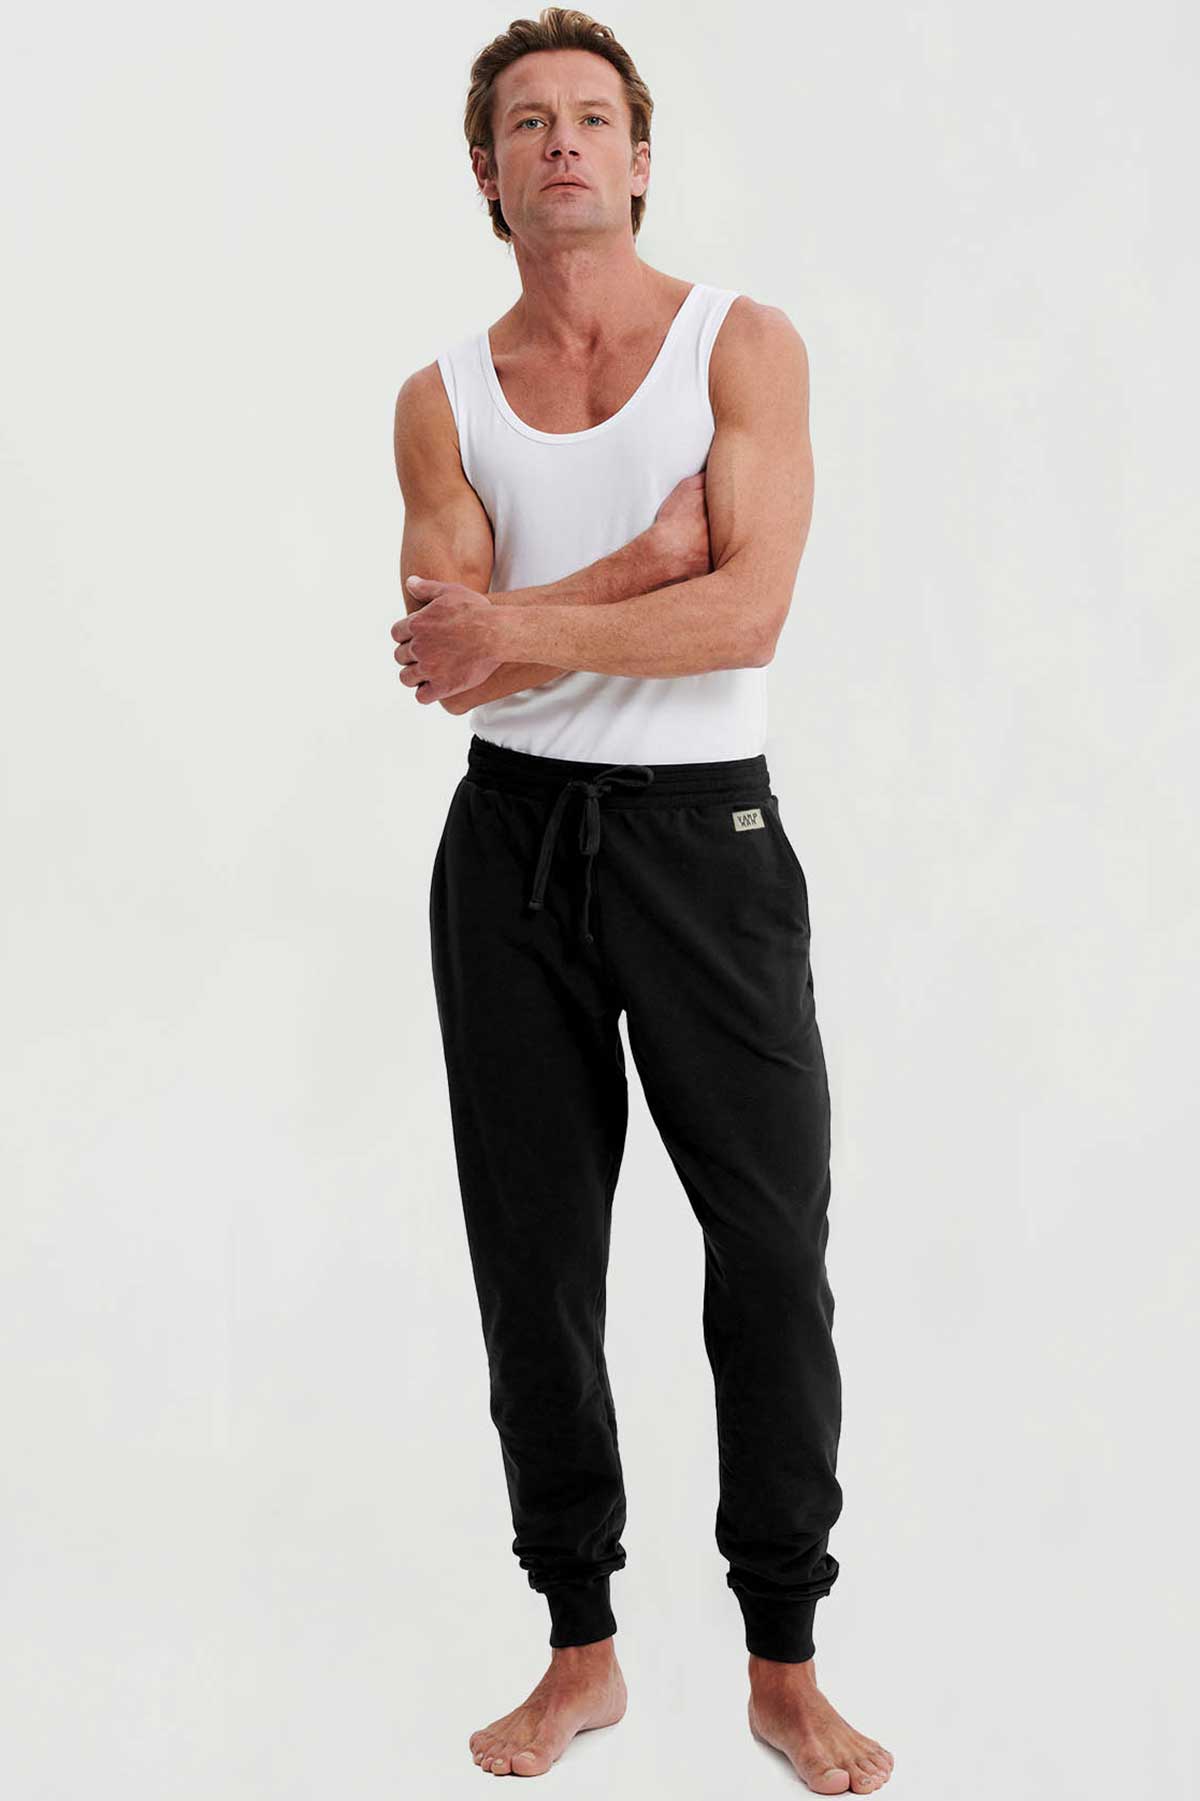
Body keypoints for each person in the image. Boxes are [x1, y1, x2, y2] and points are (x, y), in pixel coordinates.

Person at [390, 10, 894, 1793]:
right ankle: (580, 1648)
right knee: (536, 1264)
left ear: (642, 155)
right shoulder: (440, 399)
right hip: (509, 853)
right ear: (486, 172)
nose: (563, 144)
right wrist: (651, 561)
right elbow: (453, 669)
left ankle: (784, 1662)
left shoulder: (742, 345)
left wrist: (561, 612)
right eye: (527, 123)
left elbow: (747, 619)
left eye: (593, 119)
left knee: (769, 1253)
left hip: (709, 845)